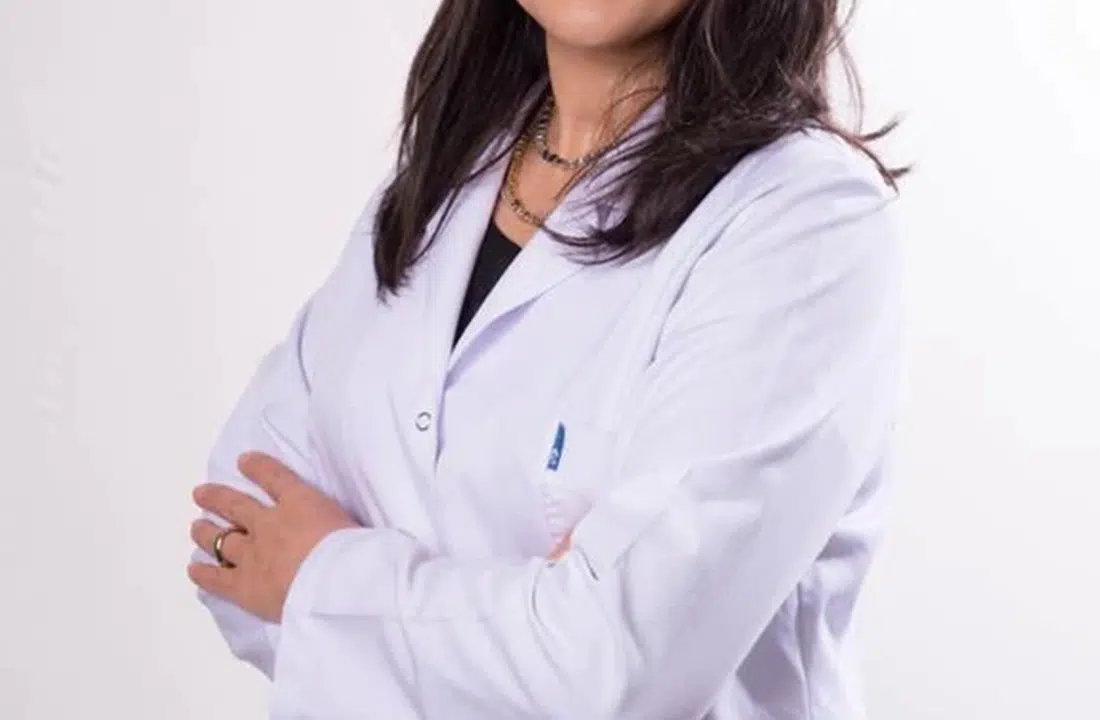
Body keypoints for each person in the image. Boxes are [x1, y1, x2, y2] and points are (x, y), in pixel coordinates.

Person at [186, 0, 904, 717]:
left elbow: (613, 671)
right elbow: (233, 538)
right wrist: (525, 616)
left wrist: (319, 582)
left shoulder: (803, 219)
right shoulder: (449, 172)